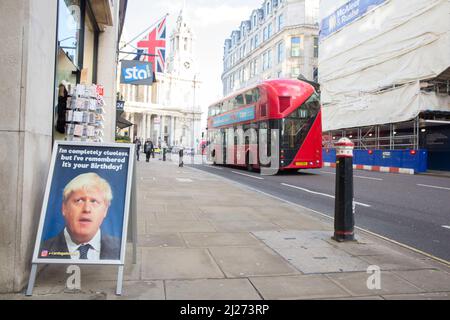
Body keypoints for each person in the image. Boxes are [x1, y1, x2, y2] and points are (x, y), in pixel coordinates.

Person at [39, 173, 120, 260]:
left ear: (105, 210)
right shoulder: (41, 251)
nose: (87, 209)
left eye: (94, 201)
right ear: (64, 208)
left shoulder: (121, 249)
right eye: (79, 200)